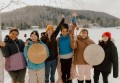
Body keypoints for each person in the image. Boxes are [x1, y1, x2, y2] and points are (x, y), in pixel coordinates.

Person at [41, 18, 65, 83]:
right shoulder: (43, 38)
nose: (50, 31)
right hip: (47, 60)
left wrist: (62, 19)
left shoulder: (54, 35)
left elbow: (58, 28)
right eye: (49, 30)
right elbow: (40, 46)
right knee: (46, 75)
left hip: (54, 59)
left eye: (51, 30)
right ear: (46, 30)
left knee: (52, 74)